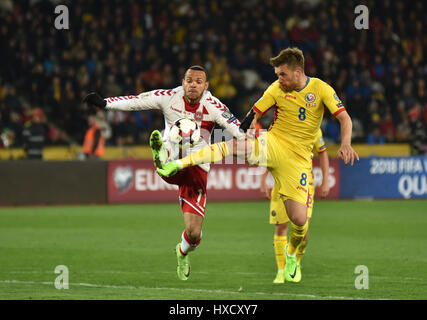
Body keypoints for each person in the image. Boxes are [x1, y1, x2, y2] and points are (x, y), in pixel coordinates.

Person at [157, 48, 359, 282]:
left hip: (298, 160)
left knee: (300, 220)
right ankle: (178, 163)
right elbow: (254, 111)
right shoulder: (275, 89)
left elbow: (344, 118)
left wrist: (346, 143)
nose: (279, 80)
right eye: (277, 75)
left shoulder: (321, 89)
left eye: (282, 75)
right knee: (233, 146)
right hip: (273, 143)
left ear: (297, 72)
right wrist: (247, 129)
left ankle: (292, 253)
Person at [83, 66, 243, 281]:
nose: (193, 84)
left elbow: (235, 127)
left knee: (194, 234)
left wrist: (244, 135)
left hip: (197, 167)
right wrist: (105, 104)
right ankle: (160, 154)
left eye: (198, 81)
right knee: (168, 158)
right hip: (173, 157)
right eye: (189, 80)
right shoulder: (170, 97)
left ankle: (182, 251)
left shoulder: (213, 106)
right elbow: (136, 101)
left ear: (206, 86)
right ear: (183, 82)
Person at [260, 129, 330, 283]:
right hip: (281, 183)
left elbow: (323, 153)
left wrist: (326, 180)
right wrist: (264, 179)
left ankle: (296, 263)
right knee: (281, 228)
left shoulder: (314, 129)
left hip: (304, 184)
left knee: (303, 230)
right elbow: (272, 153)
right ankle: (281, 271)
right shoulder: (282, 125)